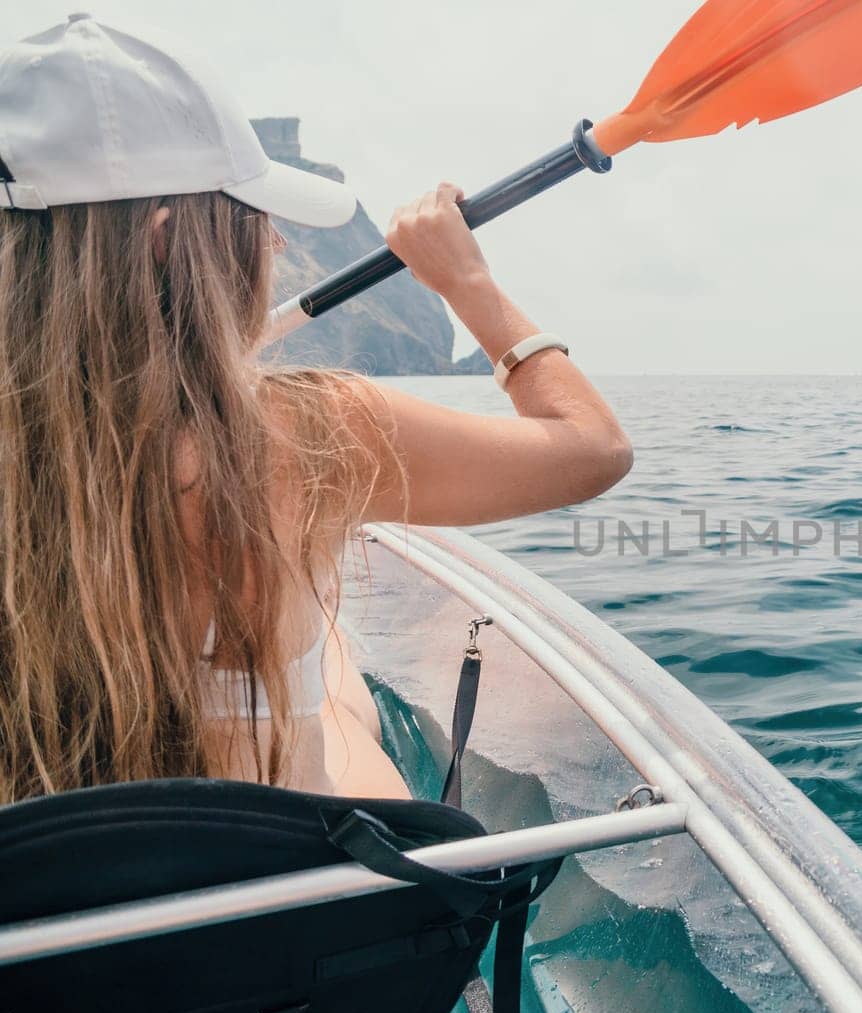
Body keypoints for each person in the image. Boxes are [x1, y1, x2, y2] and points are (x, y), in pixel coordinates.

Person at [0, 15, 630, 804]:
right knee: (336, 684)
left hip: (52, 914)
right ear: (165, 241)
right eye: (246, 219)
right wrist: (469, 285)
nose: (276, 249)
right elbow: (594, 447)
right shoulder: (302, 434)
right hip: (280, 906)